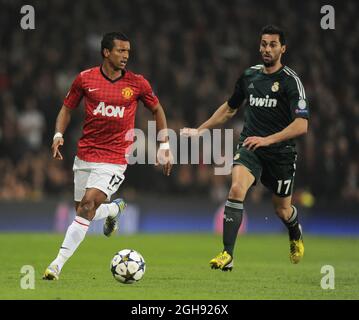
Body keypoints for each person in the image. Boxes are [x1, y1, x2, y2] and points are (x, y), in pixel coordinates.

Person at [43, 32, 173, 280]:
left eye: (127, 52)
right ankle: (114, 210)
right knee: (83, 210)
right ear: (106, 52)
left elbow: (157, 109)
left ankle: (56, 265)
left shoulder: (137, 84)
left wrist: (164, 145)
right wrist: (58, 134)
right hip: (85, 155)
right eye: (120, 51)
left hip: (115, 157)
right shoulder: (85, 79)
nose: (125, 56)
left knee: (87, 207)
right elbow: (66, 109)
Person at [182, 25, 309, 271]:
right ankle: (227, 254)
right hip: (251, 146)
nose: (267, 49)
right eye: (263, 44)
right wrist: (201, 129)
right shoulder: (249, 76)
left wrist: (268, 140)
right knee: (236, 189)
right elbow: (230, 108)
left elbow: (302, 125)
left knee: (282, 210)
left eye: (273, 45)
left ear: (283, 49)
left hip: (281, 153)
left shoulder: (291, 82)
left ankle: (295, 231)